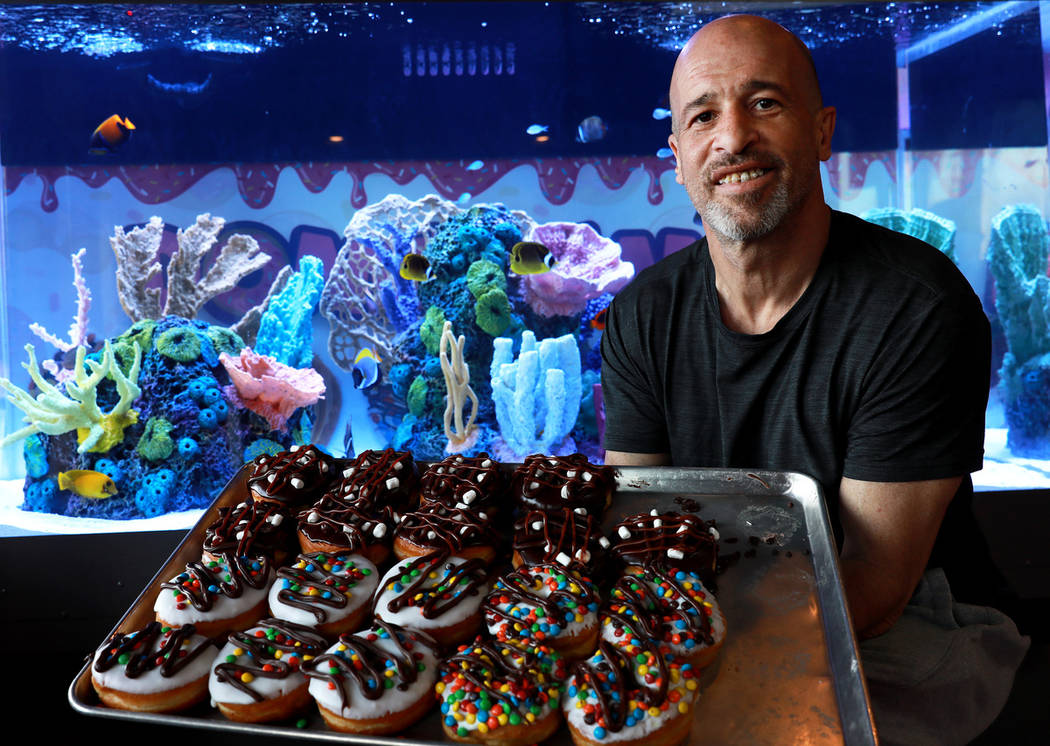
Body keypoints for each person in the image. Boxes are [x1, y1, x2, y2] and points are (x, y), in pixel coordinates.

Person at [600, 14, 1029, 745]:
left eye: (765, 103)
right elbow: (632, 525)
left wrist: (681, 645)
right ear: (677, 156)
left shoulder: (917, 306)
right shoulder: (643, 314)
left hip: (911, 623)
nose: (733, 139)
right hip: (706, 611)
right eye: (704, 116)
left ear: (822, 132)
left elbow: (876, 584)